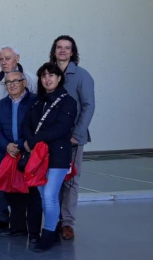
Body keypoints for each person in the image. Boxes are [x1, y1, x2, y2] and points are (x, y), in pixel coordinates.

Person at [0, 46, 37, 230]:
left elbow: (36, 114)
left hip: (24, 145)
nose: (4, 61)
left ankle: (22, 220)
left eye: (8, 58)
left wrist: (23, 143)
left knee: (22, 181)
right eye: (1, 58)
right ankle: (1, 216)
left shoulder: (31, 79)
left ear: (17, 58)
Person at [21, 63, 77, 253]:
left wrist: (34, 140)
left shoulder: (68, 101)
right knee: (43, 196)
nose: (47, 79)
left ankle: (48, 234)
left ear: (59, 78)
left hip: (58, 155)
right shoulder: (37, 101)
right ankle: (51, 232)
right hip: (39, 156)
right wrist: (29, 141)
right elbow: (26, 124)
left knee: (49, 196)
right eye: (44, 76)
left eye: (51, 75)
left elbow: (61, 128)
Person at [52, 35, 95, 241]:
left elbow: (88, 106)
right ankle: (54, 219)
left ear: (72, 52)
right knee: (53, 181)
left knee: (70, 181)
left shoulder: (81, 75)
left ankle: (67, 223)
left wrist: (78, 134)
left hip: (72, 139)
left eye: (67, 48)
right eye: (59, 47)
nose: (62, 51)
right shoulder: (48, 74)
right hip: (52, 138)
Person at [0, 71, 39, 239]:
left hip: (29, 151)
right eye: (8, 82)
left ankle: (34, 231)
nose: (11, 85)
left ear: (24, 82)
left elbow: (37, 128)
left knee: (32, 193)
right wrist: (6, 145)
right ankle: (17, 226)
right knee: (12, 190)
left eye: (15, 81)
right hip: (10, 153)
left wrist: (20, 144)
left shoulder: (35, 101)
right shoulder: (1, 104)